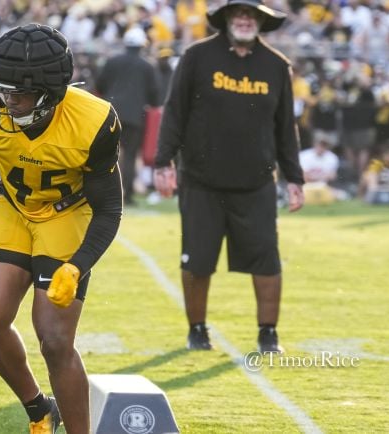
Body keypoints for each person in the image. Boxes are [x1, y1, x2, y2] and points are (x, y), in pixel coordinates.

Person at [0, 24, 122, 434]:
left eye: (16, 94)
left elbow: (109, 210)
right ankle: (40, 409)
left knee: (55, 340)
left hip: (67, 213)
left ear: (49, 94)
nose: (4, 100)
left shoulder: (91, 122)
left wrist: (77, 266)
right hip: (14, 206)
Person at [153, 0, 305, 354]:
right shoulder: (197, 57)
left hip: (256, 183)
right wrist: (164, 162)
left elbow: (285, 128)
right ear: (225, 19)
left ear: (261, 22)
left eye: (252, 14)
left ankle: (268, 333)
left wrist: (294, 178)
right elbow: (174, 111)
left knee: (267, 258)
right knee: (197, 260)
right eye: (238, 13)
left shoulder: (276, 66)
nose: (244, 19)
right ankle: (197, 330)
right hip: (201, 181)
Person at [96, 26, 159, 206]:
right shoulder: (147, 66)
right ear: (141, 45)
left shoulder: (112, 61)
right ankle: (127, 196)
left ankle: (102, 194)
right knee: (130, 156)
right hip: (134, 117)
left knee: (105, 155)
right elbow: (154, 95)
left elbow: (100, 85)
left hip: (110, 113)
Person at [362, 138, 389, 205]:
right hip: (376, 188)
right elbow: (371, 175)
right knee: (368, 175)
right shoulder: (378, 162)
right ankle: (372, 197)